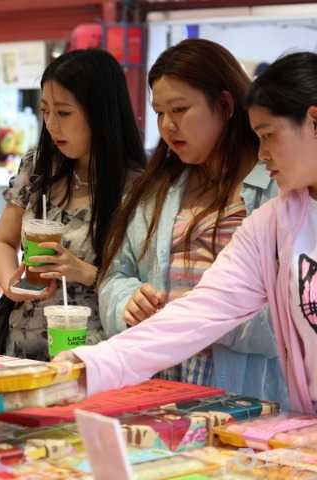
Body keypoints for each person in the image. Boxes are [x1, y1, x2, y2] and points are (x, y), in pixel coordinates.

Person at [56, 50, 317, 414]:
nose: (262, 154)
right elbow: (201, 311)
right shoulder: (272, 222)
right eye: (159, 113)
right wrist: (91, 366)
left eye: (269, 135)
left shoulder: (269, 201)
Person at [98, 39, 287, 404]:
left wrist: (203, 319)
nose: (168, 126)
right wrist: (125, 302)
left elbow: (294, 314)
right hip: (159, 391)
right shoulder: (155, 189)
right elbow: (114, 274)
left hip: (249, 397)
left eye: (180, 109)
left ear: (226, 105)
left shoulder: (278, 188)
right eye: (159, 113)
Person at [0, 49, 146, 360]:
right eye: (44, 111)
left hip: (93, 354)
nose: (51, 125)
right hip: (21, 347)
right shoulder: (37, 167)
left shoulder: (139, 187)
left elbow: (143, 285)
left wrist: (83, 271)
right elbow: (2, 241)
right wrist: (10, 284)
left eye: (63, 113)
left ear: (100, 113)